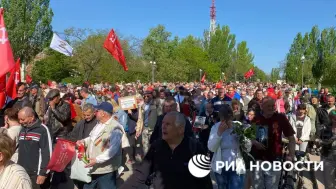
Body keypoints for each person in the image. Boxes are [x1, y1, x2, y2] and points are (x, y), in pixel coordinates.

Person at [120, 112, 213, 189]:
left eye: (168, 124)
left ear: (180, 129)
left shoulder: (195, 148)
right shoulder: (156, 147)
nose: (163, 127)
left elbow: (205, 182)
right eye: (163, 123)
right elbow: (140, 174)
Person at [76, 102, 125, 189]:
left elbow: (112, 150)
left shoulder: (115, 128)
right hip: (93, 168)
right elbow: (92, 138)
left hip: (106, 170)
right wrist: (83, 141)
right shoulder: (99, 124)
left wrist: (97, 160)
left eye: (97, 111)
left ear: (103, 113)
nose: (95, 113)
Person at [251, 97, 296, 189]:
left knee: (272, 186)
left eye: (273, 106)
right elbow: (249, 136)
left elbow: (291, 138)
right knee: (257, 186)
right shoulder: (256, 118)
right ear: (262, 106)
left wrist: (291, 156)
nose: (272, 108)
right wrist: (255, 142)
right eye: (268, 106)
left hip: (275, 158)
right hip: (258, 158)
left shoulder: (281, 118)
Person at [208, 105, 251, 189]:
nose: (225, 122)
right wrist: (219, 133)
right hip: (221, 167)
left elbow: (248, 148)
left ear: (232, 116)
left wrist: (243, 138)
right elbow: (211, 148)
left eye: (228, 119)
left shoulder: (239, 126)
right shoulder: (215, 127)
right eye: (223, 119)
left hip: (236, 166)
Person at [17, 107, 52, 189]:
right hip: (22, 171)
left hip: (35, 173)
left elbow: (47, 152)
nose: (20, 122)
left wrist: (43, 173)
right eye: (19, 119)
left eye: (22, 119)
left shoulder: (42, 129)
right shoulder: (22, 129)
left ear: (31, 117)